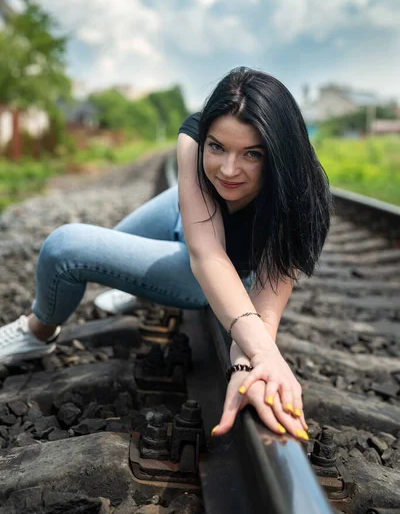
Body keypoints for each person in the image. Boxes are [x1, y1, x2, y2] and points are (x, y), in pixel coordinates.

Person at [0, 67, 332, 440]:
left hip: (212, 273)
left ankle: (37, 330)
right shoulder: (192, 137)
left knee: (65, 248)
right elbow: (203, 245)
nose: (228, 169)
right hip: (187, 219)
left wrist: (248, 366)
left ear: (276, 154)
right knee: (105, 249)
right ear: (205, 135)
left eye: (251, 154)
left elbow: (258, 310)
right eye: (218, 147)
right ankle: (136, 286)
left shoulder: (294, 199)